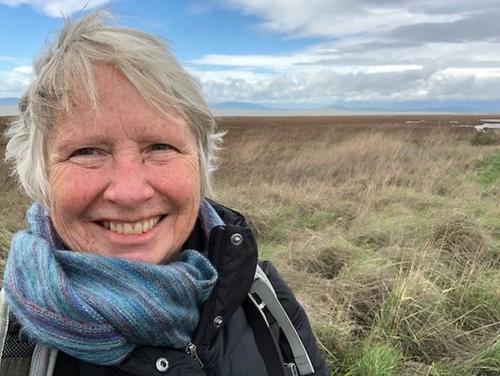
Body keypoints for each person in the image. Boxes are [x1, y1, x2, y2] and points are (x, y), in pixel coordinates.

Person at [0, 11, 327, 376]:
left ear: (201, 164)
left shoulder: (262, 298)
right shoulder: (7, 338)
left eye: (159, 147)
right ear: (40, 175)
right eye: (87, 152)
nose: (130, 192)